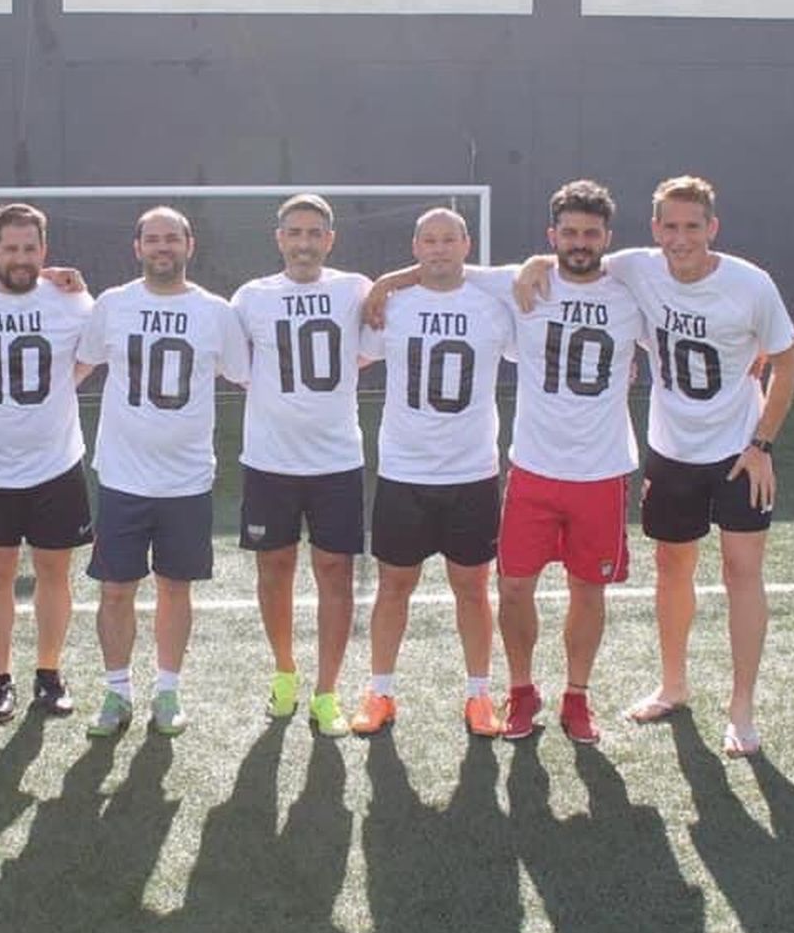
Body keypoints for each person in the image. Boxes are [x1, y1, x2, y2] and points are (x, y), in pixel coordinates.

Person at [519, 175, 794, 757]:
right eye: (669, 226)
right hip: (671, 451)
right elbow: (577, 252)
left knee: (742, 573)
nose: (680, 238)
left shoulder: (750, 283)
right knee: (673, 568)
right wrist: (532, 264)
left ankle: (741, 709)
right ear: (654, 230)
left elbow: (788, 360)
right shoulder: (636, 267)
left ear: (712, 228)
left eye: (692, 226)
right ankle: (674, 684)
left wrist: (762, 444)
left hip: (738, 452)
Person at [74, 206, 251, 737]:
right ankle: (116, 692)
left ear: (189, 245)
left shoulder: (216, 312)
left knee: (177, 588)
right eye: (152, 239)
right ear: (137, 248)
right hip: (123, 477)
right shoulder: (112, 304)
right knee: (115, 590)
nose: (162, 247)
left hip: (186, 479)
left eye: (172, 238)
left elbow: (249, 377)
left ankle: (168, 691)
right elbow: (79, 367)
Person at [485, 180, 645, 745]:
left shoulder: (631, 292)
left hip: (601, 473)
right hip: (533, 467)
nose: (580, 243)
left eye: (591, 233)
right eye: (569, 232)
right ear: (552, 235)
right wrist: (388, 282)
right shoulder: (523, 283)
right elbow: (445, 270)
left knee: (589, 589)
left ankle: (577, 696)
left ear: (607, 238)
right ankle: (522, 690)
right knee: (512, 587)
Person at [351, 207, 517, 738]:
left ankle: (479, 695)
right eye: (429, 240)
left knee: (472, 586)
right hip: (405, 468)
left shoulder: (494, 304)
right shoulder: (393, 305)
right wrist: (387, 283)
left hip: (472, 471)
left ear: (467, 244)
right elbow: (353, 354)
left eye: (449, 239)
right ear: (415, 247)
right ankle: (380, 690)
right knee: (393, 586)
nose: (439, 249)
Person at [0, 202, 94, 722]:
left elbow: (93, 352)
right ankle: (0, 677)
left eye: (30, 248)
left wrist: (60, 389)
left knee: (55, 571)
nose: (22, 258)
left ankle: (49, 674)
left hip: (56, 463)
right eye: (11, 248)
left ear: (44, 251)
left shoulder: (70, 300)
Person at [230, 194, 372, 738]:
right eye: (295, 232)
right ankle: (285, 672)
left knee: (335, 574)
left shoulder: (353, 288)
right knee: (275, 570)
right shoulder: (252, 296)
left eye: (315, 232)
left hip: (336, 460)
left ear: (330, 239)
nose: (305, 242)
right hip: (269, 461)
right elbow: (236, 361)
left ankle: (328, 691)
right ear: (279, 238)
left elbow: (372, 339)